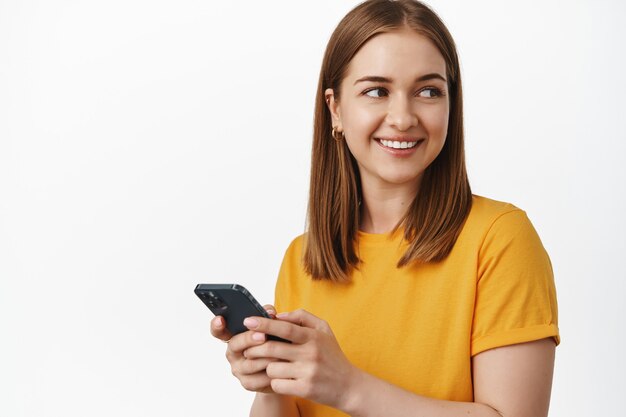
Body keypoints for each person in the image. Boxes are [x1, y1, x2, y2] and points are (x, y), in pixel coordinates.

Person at [210, 0, 560, 416]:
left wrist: (349, 388)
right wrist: (270, 381)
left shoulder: (499, 237)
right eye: (377, 91)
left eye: (428, 91)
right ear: (335, 109)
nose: (402, 117)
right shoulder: (302, 258)